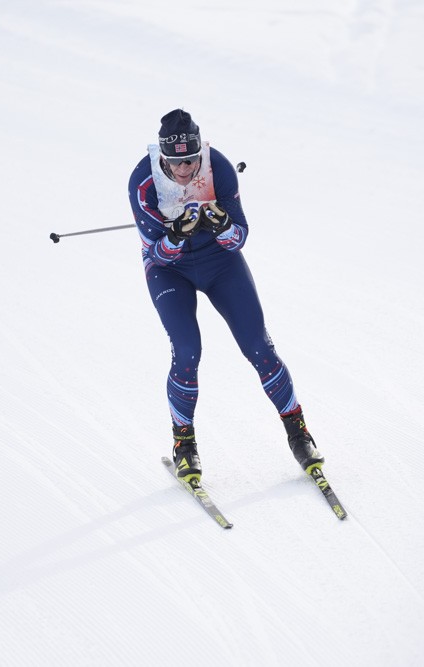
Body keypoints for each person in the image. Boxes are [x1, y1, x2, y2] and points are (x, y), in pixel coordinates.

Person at [127, 109, 324, 483]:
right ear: (162, 158)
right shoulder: (143, 182)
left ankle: (299, 433)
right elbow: (154, 254)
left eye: (191, 159)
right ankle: (184, 444)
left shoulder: (218, 167)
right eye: (175, 162)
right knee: (187, 351)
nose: (185, 169)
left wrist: (222, 225)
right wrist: (177, 235)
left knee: (259, 346)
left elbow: (240, 238)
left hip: (219, 262)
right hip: (171, 270)